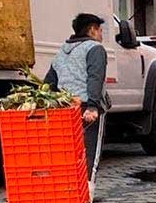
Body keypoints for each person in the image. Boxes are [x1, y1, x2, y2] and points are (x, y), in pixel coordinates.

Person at [44, 13, 108, 181]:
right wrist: (93, 106)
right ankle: (87, 195)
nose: (101, 35)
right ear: (92, 30)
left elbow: (49, 82)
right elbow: (95, 77)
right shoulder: (95, 48)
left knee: (69, 155)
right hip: (87, 108)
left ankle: (71, 193)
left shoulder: (61, 52)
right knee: (89, 155)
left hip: (64, 109)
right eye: (100, 30)